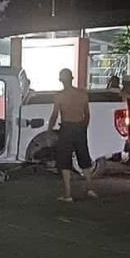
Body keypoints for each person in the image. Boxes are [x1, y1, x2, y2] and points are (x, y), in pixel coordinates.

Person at [48, 68, 98, 202]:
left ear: (60, 80)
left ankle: (68, 194)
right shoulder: (82, 94)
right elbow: (87, 114)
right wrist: (83, 127)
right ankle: (90, 188)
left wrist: (49, 129)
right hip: (79, 128)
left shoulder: (59, 96)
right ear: (72, 78)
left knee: (64, 162)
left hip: (66, 129)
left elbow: (54, 115)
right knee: (84, 159)